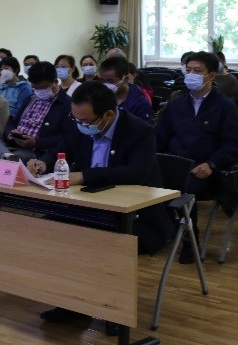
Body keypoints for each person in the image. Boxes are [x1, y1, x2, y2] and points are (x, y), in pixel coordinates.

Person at [31, 82, 173, 334]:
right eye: (76, 119)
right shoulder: (79, 124)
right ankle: (70, 302)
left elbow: (136, 173)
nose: (80, 124)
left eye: (85, 120)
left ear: (108, 114)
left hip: (135, 214)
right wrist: (43, 163)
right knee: (50, 228)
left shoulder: (139, 131)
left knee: (105, 241)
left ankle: (114, 309)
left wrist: (84, 176)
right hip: (90, 206)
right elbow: (61, 149)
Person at [155, 51, 238, 264]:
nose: (191, 75)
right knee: (148, 180)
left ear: (211, 76)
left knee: (185, 187)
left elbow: (234, 145)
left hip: (205, 169)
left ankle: (190, 235)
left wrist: (212, 163)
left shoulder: (225, 106)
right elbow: (159, 138)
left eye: (197, 71)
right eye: (188, 70)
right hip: (174, 164)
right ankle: (157, 230)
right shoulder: (176, 105)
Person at [0, 61, 72, 163]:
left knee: (17, 156)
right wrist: (10, 132)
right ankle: (6, 158)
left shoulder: (66, 104)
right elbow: (12, 121)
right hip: (13, 144)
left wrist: (37, 142)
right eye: (35, 88)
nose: (39, 91)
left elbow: (66, 137)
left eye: (42, 88)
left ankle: (5, 160)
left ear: (55, 82)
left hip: (35, 150)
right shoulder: (31, 98)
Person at [98, 56, 153, 123]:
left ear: (126, 79)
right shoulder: (100, 97)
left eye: (110, 81)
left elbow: (143, 129)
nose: (106, 85)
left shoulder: (140, 104)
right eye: (103, 81)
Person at [0, 56, 32, 120]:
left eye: (6, 68)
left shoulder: (24, 87)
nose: (3, 71)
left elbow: (20, 110)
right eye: (1, 69)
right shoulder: (0, 86)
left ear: (15, 70)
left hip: (11, 120)